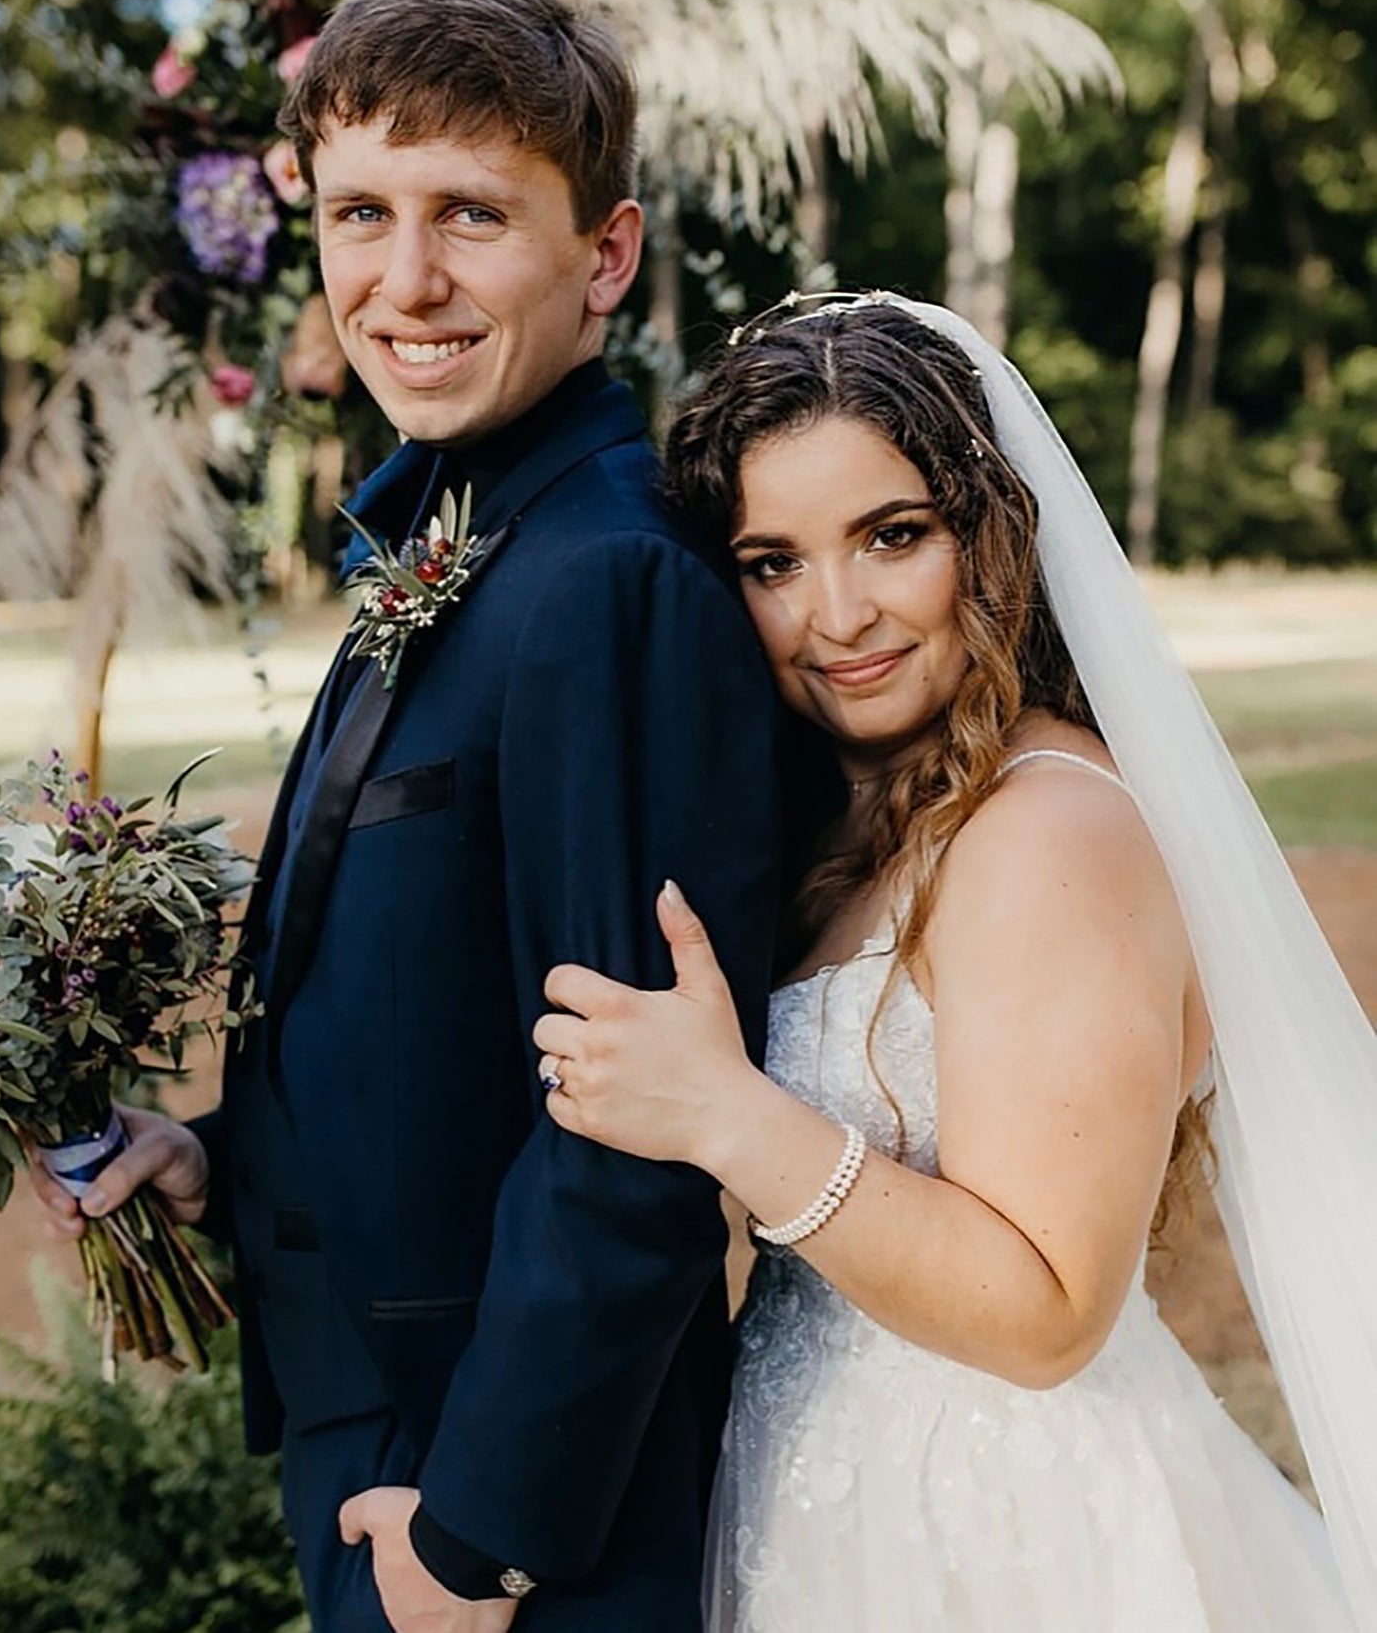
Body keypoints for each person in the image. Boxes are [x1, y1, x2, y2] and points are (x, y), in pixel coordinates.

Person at [31, 0, 783, 1632]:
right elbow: (442, 1021)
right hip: (383, 1441)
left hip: (518, 1515)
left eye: (470, 214)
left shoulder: (608, 584)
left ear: (605, 255)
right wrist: (209, 1160)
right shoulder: (460, 534)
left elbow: (640, 1131)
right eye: (360, 213)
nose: (403, 279)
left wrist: (476, 1540)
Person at [530, 293, 1377, 1630]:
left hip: (1010, 1531)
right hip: (820, 1494)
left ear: (990, 532)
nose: (838, 613)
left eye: (892, 535)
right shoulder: (850, 817)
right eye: (771, 561)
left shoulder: (1048, 829)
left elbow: (1045, 1312)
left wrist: (724, 1113)